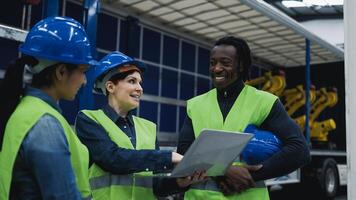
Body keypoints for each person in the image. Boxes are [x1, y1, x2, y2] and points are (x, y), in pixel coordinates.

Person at [177, 36, 311, 199]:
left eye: (225, 63)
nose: (217, 68)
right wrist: (224, 170)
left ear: (241, 66)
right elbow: (183, 155)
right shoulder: (195, 105)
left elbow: (299, 150)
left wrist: (249, 176)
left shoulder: (265, 102)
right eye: (213, 63)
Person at [75, 51, 203, 200]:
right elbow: (112, 158)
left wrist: (178, 183)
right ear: (110, 87)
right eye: (132, 81)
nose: (140, 89)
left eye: (140, 82)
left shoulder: (148, 128)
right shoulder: (90, 120)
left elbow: (154, 185)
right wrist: (169, 156)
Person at [0, 16, 96, 199]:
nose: (84, 81)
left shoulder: (26, 109)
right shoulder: (45, 124)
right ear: (61, 72)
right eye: (83, 72)